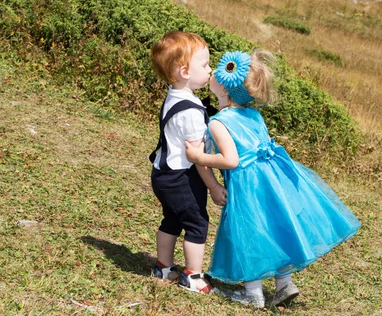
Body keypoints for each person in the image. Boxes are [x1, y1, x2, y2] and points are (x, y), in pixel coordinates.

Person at [185, 50, 361, 308]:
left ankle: (253, 293)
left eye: (217, 71)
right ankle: (284, 284)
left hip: (248, 185)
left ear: (224, 87)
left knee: (251, 233)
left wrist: (199, 157)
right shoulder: (254, 115)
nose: (212, 71)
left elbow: (231, 160)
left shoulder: (219, 122)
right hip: (271, 180)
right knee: (274, 228)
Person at [148, 31, 227, 294]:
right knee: (196, 222)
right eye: (204, 65)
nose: (210, 69)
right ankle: (193, 276)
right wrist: (214, 187)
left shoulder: (176, 97)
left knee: (172, 218)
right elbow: (199, 159)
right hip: (182, 176)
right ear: (184, 71)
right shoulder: (192, 112)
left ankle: (164, 267)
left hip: (163, 174)